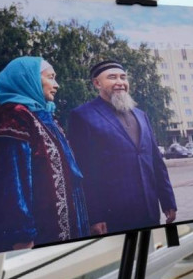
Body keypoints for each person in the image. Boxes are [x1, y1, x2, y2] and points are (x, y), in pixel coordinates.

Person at [0, 57, 89, 256]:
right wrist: (21, 235)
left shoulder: (46, 117)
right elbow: (10, 183)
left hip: (64, 229)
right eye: (50, 77)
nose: (57, 85)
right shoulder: (13, 115)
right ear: (29, 79)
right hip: (35, 237)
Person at [68, 60, 176, 235]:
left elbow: (156, 161)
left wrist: (167, 200)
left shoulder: (141, 115)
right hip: (113, 215)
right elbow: (84, 170)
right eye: (112, 77)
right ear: (97, 83)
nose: (120, 82)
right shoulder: (83, 115)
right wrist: (95, 215)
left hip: (149, 209)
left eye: (123, 77)